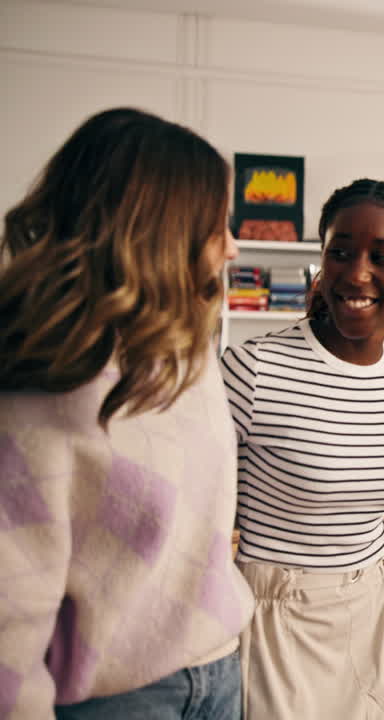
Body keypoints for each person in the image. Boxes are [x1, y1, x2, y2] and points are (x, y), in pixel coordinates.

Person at [0, 107, 252, 720]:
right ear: (161, 231)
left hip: (221, 669)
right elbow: (11, 618)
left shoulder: (188, 354)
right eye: (216, 225)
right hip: (117, 700)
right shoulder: (39, 397)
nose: (233, 245)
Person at [220, 178, 384, 719]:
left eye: (381, 257)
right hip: (274, 614)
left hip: (374, 606)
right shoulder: (253, 369)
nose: (356, 273)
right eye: (340, 252)